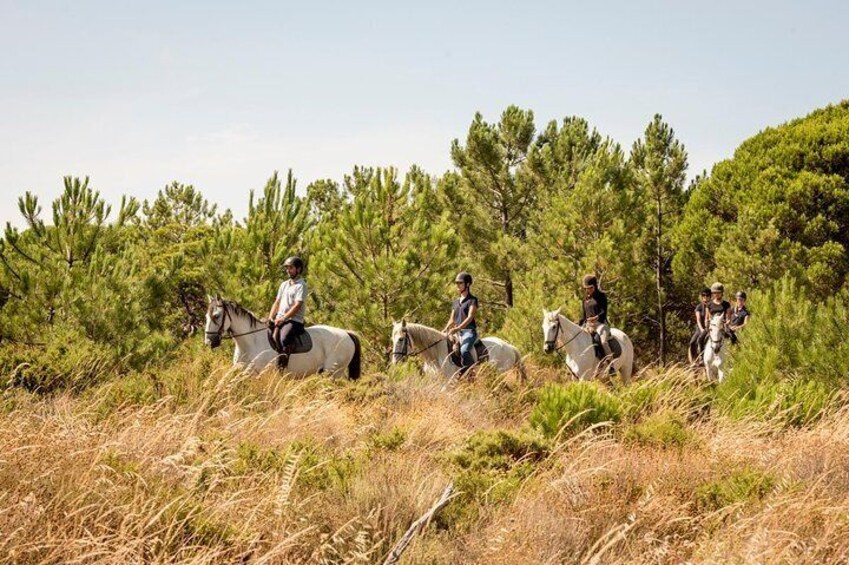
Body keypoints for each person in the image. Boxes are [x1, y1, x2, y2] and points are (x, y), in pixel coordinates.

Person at [268, 256, 307, 370]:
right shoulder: (284, 284)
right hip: (280, 319)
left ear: (298, 269)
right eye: (287, 268)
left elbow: (297, 305)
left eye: (291, 268)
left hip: (294, 321)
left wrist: (284, 318)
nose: (288, 270)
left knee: (284, 338)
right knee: (268, 335)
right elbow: (277, 302)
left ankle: (282, 367)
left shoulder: (301, 285)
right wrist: (271, 316)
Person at [443, 272, 478, 375]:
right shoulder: (455, 302)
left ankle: (472, 374)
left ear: (467, 284)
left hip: (469, 332)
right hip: (457, 332)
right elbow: (452, 320)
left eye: (460, 283)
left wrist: (457, 329)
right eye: (456, 283)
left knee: (464, 351)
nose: (457, 285)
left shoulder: (472, 300)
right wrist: (445, 329)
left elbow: (470, 317)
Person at [578, 274, 612, 363]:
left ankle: (610, 363)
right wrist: (579, 323)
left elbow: (604, 312)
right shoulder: (585, 300)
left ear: (595, 286)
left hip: (601, 324)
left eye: (590, 288)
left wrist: (596, 317)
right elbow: (584, 316)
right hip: (589, 326)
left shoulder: (601, 296)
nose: (588, 290)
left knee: (603, 342)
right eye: (586, 288)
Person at [688, 288, 711, 364]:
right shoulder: (699, 307)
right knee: (692, 342)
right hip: (700, 328)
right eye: (703, 295)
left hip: (709, 328)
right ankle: (694, 360)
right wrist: (701, 329)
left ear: (710, 296)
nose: (705, 297)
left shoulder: (712, 306)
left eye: (707, 295)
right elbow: (698, 319)